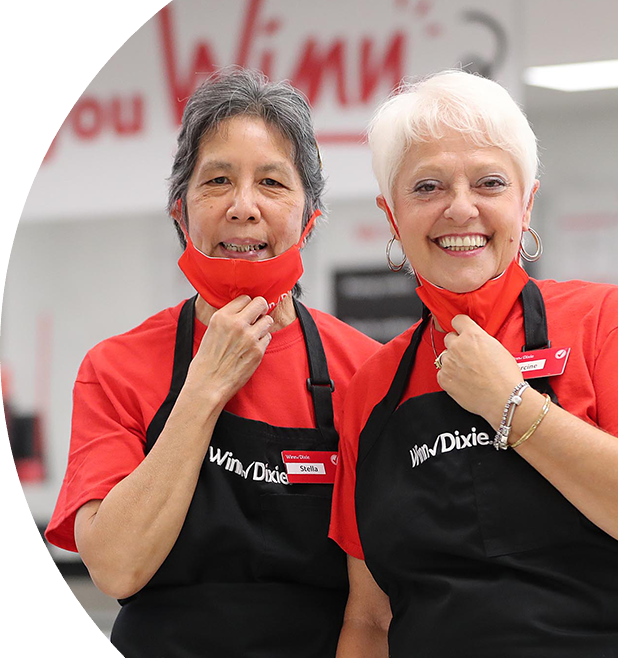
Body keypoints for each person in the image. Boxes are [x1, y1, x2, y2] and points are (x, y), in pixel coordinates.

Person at [46, 68, 379, 658]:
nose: (243, 207)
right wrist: (203, 389)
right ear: (181, 212)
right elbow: (117, 569)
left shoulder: (366, 372)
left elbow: (376, 604)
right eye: (217, 180)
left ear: (310, 219)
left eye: (272, 183)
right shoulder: (115, 368)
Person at [329, 70, 618, 657]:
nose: (461, 209)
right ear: (392, 217)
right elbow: (369, 619)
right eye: (427, 187)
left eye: (489, 182)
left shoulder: (600, 325)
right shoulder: (371, 391)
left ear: (525, 201)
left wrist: (510, 404)